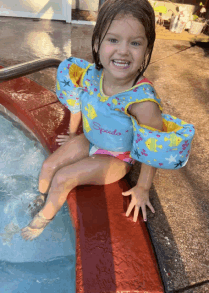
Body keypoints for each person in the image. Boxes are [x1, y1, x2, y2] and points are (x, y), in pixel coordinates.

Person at [21, 0, 195, 240]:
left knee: (63, 178)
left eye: (135, 43)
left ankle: (40, 222)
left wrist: (143, 188)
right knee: (49, 166)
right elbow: (78, 102)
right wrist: (73, 134)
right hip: (90, 139)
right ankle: (39, 199)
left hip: (118, 157)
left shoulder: (141, 100)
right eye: (113, 40)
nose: (123, 50)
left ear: (147, 49)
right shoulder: (92, 76)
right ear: (97, 42)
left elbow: (155, 147)